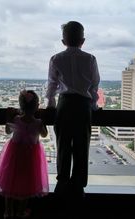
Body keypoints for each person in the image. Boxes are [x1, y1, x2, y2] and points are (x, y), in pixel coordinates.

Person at [46, 21, 100, 198]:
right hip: (83, 106)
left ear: (63, 41)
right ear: (82, 40)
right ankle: (78, 186)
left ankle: (62, 183)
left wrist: (51, 105)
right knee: (81, 146)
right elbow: (94, 85)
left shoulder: (56, 59)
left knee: (62, 145)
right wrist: (93, 105)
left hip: (65, 104)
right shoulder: (90, 59)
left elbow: (52, 86)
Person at [0, 90, 49, 219]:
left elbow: (7, 131)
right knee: (27, 183)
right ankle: (21, 212)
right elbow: (44, 134)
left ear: (20, 106)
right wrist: (43, 120)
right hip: (31, 158)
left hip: (14, 155)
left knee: (9, 181)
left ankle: (8, 211)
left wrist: (8, 117)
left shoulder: (16, 120)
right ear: (37, 106)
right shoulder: (38, 123)